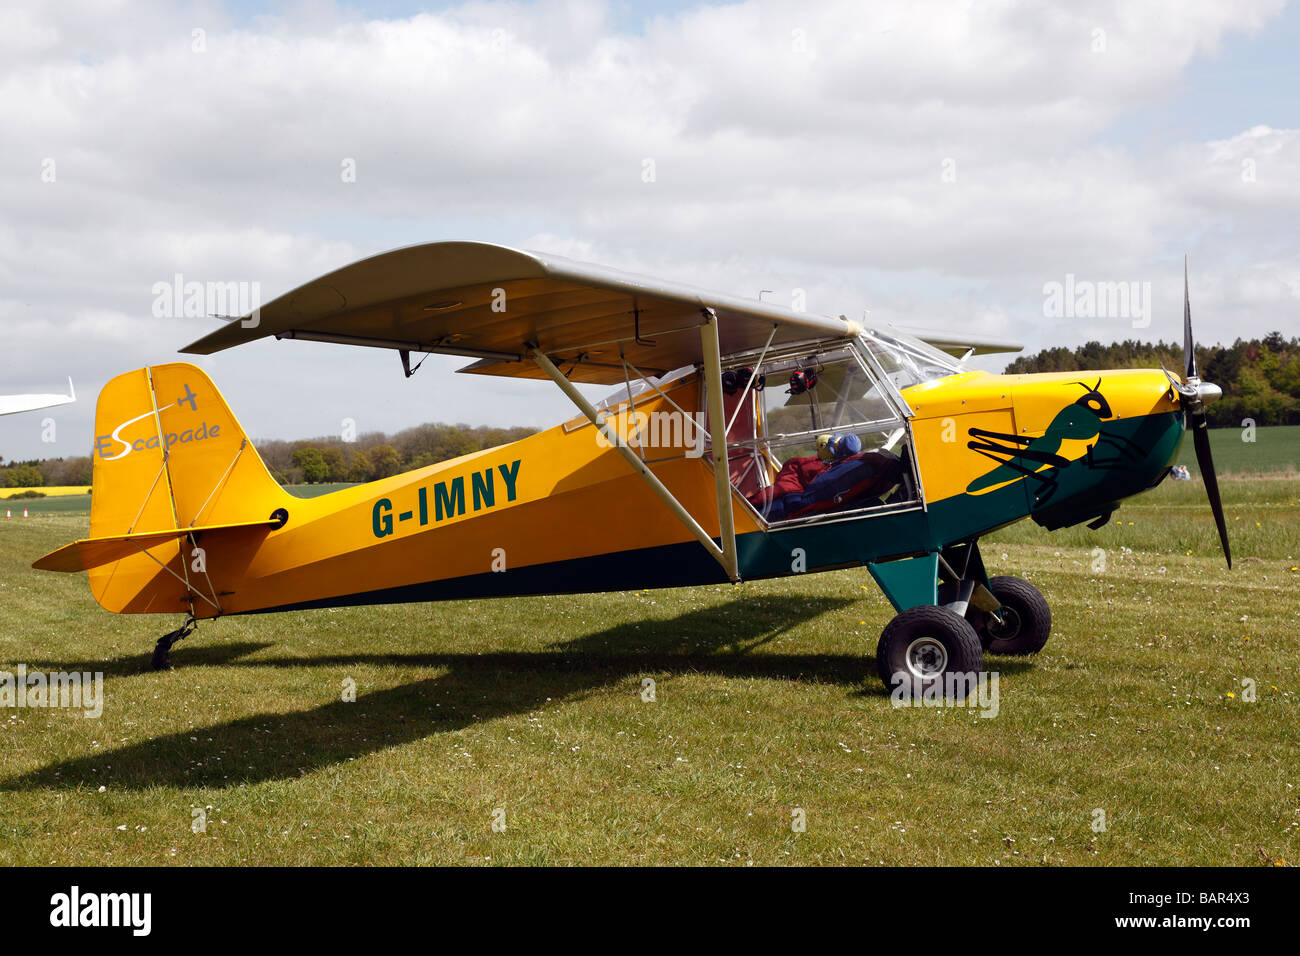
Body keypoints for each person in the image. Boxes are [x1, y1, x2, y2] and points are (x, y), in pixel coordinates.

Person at [747, 433, 862, 509]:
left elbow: (776, 491)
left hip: (791, 483)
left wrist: (749, 503)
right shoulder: (838, 468)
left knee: (771, 493)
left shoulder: (808, 469)